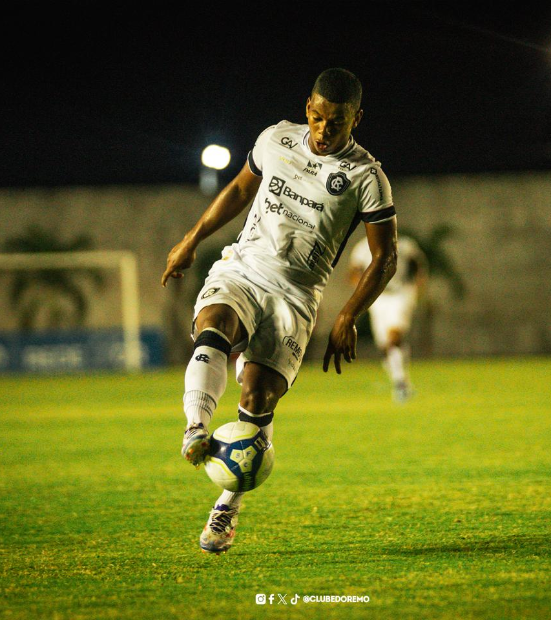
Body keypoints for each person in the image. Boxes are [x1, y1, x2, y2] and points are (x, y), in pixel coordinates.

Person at [161, 68, 398, 554]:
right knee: (215, 326)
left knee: (258, 396)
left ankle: (227, 506)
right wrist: (191, 239)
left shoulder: (367, 178)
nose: (323, 131)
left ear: (357, 118)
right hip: (244, 269)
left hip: (296, 295)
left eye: (337, 123)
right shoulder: (275, 139)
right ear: (307, 106)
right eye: (316, 117)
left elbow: (385, 256)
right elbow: (238, 191)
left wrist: (349, 314)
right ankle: (196, 428)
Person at [349, 234, 428, 402]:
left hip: (400, 294)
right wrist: (362, 294)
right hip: (378, 297)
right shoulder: (362, 248)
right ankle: (401, 380)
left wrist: (417, 288)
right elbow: (354, 272)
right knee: (385, 345)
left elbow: (418, 265)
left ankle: (400, 386)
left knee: (394, 336)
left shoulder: (405, 244)